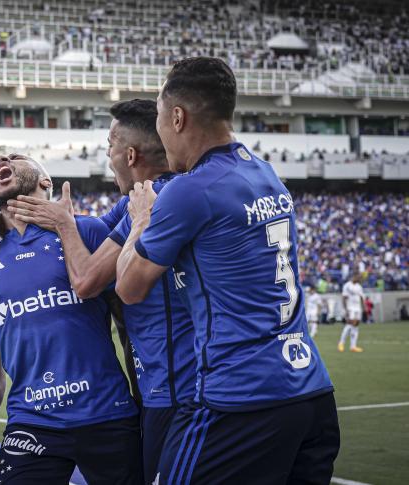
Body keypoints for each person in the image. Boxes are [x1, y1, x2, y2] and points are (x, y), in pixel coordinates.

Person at [115, 57, 339, 484]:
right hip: (311, 391)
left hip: (240, 399)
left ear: (177, 117)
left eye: (161, 120)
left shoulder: (190, 190)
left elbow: (128, 287)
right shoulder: (267, 174)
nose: (161, 135)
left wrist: (141, 219)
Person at [4, 99, 196, 482]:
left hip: (180, 391)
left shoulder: (158, 198)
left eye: (109, 146)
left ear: (130, 154)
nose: (106, 156)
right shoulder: (135, 204)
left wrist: (65, 226)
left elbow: (86, 281)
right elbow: (90, 227)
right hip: (161, 386)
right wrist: (0, 217)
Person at [0, 153, 142, 484]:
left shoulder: (87, 231)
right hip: (32, 421)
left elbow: (128, 321)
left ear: (46, 182)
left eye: (17, 157)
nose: (3, 158)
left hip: (107, 413)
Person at [339, 274, 365, 352]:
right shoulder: (347, 285)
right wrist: (345, 309)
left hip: (358, 308)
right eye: (359, 277)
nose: (360, 279)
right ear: (354, 276)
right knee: (349, 324)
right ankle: (341, 343)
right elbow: (344, 297)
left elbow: (361, 297)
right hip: (350, 308)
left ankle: (353, 346)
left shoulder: (359, 287)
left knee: (356, 326)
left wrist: (363, 307)